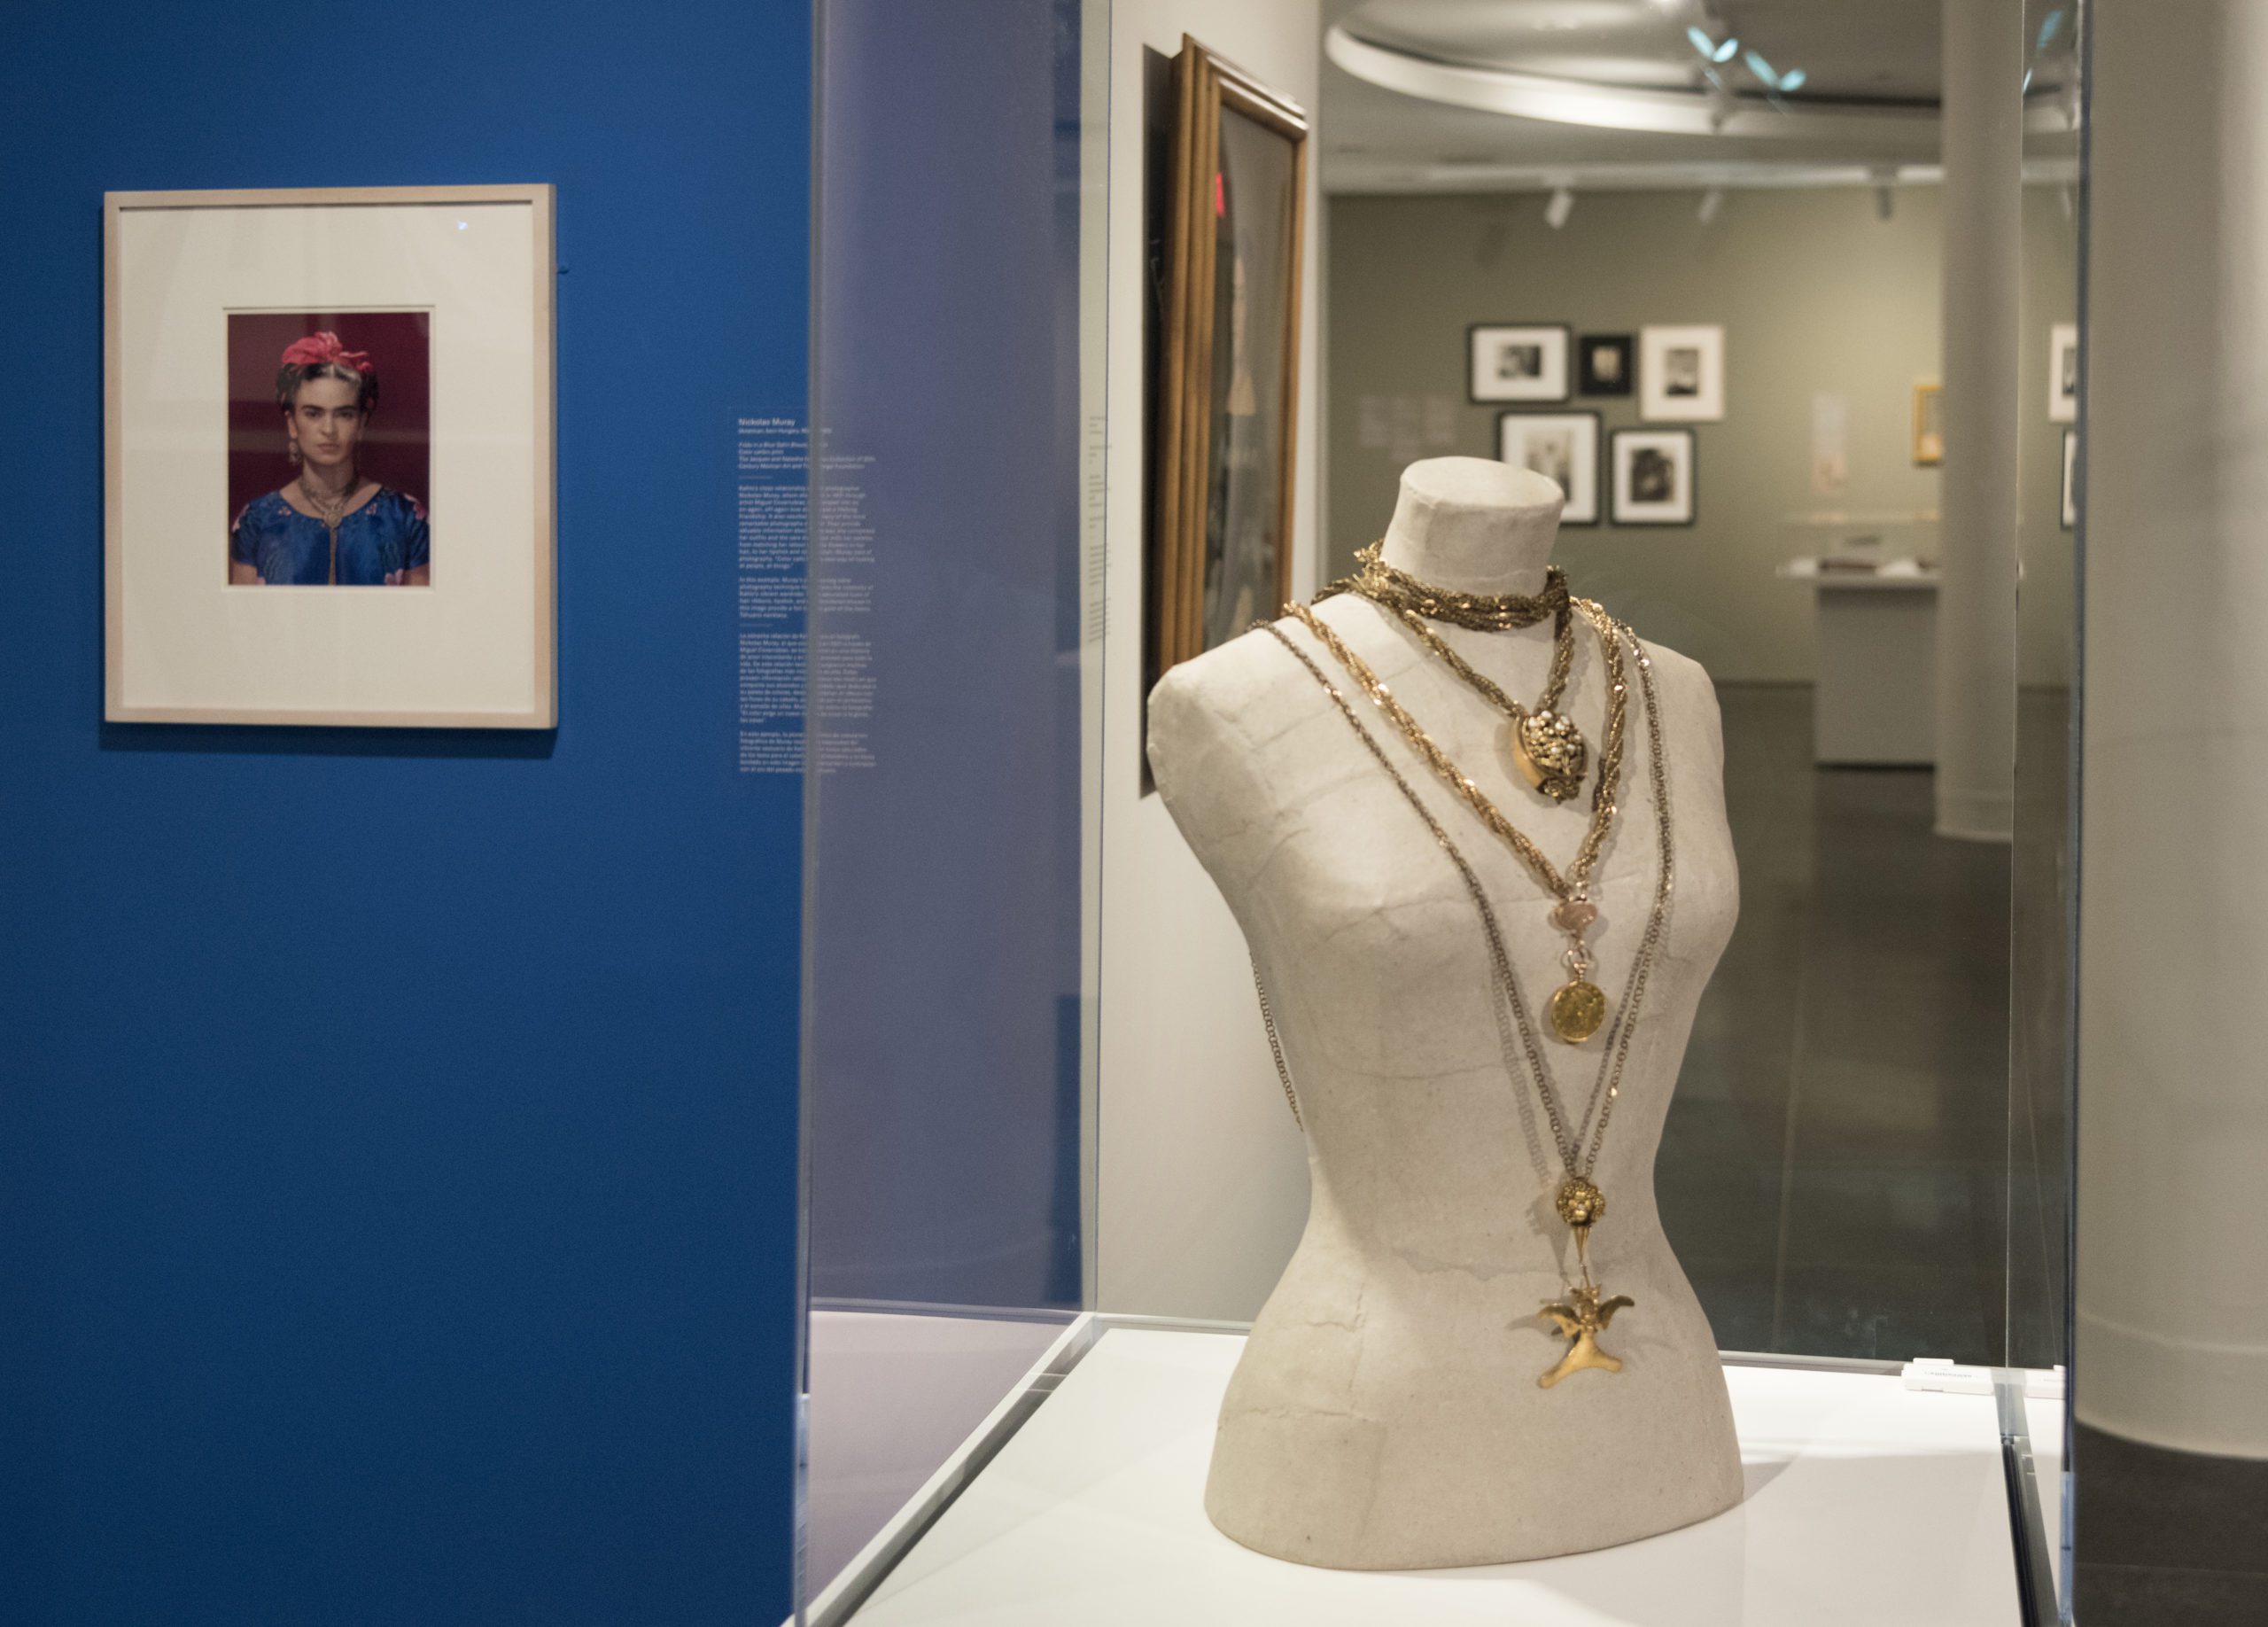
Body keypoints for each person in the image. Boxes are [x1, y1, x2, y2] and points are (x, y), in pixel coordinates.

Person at [229, 331, 430, 586]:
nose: (329, 429)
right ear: (292, 423)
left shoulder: (404, 517)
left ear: (361, 424)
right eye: (313, 414)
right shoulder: (257, 521)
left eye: (344, 414)